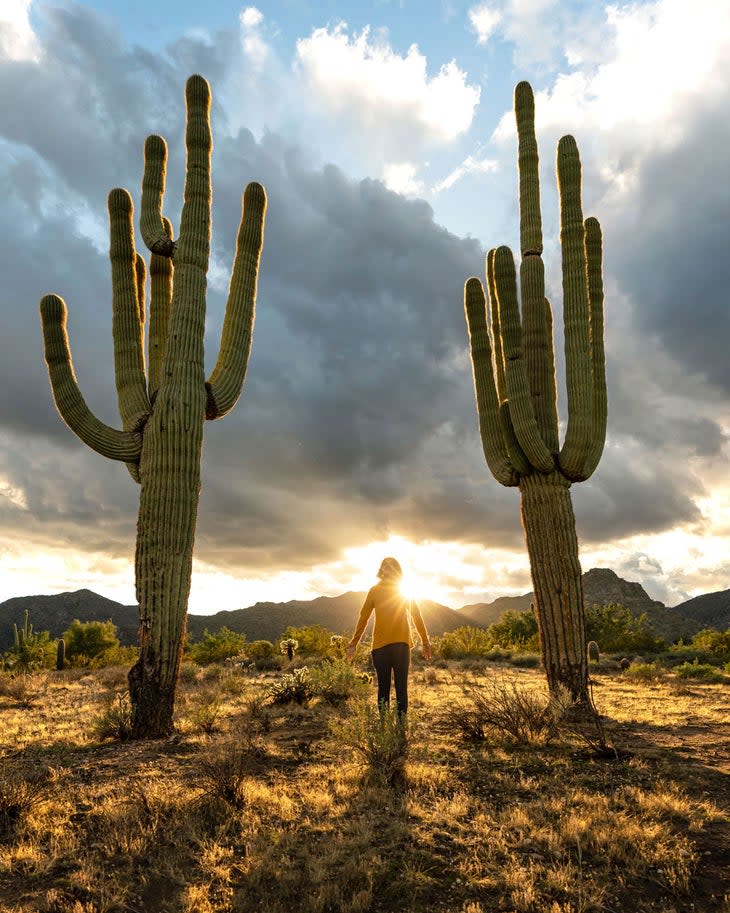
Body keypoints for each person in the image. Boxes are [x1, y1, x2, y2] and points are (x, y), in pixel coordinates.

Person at [346, 557, 432, 715]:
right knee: (383, 688)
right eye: (385, 566)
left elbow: (416, 615)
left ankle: (400, 727)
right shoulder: (374, 590)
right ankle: (384, 727)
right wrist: (353, 643)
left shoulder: (404, 590)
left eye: (392, 566)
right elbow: (363, 617)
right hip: (380, 647)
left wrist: (425, 642)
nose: (388, 569)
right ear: (381, 570)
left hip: (401, 644)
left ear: (397, 570)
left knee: (401, 688)